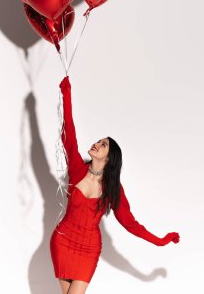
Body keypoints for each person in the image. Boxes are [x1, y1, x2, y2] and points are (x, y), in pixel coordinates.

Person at [49, 76, 180, 294]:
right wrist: (67, 95)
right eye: (98, 141)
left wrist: (159, 241)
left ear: (110, 158)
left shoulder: (113, 189)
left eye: (103, 145)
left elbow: (130, 223)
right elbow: (69, 133)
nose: (96, 144)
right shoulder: (77, 169)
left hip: (88, 249)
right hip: (63, 242)